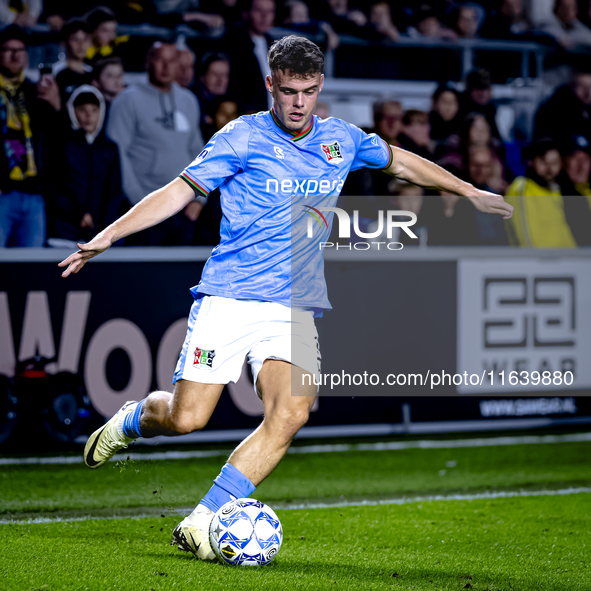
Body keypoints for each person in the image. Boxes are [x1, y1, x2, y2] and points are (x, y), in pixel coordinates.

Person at [59, 35, 512, 562]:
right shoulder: (241, 136)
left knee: (292, 411)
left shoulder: (340, 139)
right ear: (270, 85)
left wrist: (468, 190)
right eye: (290, 91)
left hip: (294, 304)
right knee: (187, 420)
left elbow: (401, 162)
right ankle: (133, 419)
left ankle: (203, 519)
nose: (299, 103)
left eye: (310, 91)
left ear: (321, 87)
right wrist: (108, 237)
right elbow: (178, 191)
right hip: (229, 298)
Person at [106, 41, 204, 244]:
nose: (166, 67)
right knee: (144, 272)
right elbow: (117, 154)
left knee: (180, 273)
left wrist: (200, 197)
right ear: (148, 62)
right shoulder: (127, 100)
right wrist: (139, 202)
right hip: (146, 210)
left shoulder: (188, 100)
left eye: (171, 61)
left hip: (184, 208)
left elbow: (198, 152)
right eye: (160, 60)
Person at [0, 24, 61, 247]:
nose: (15, 55)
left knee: (28, 272)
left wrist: (55, 107)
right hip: (3, 195)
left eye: (20, 50)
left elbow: (56, 139)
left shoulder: (36, 91)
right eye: (9, 50)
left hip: (35, 194)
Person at [46, 85, 123, 244]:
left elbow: (114, 192)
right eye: (82, 109)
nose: (88, 115)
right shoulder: (61, 145)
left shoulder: (110, 149)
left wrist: (101, 222)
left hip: (101, 232)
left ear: (101, 112)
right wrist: (79, 215)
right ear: (72, 111)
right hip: (64, 230)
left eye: (94, 110)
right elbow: (53, 187)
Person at [504, 138, 576, 247]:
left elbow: (564, 232)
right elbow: (526, 237)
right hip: (537, 261)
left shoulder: (556, 190)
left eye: (554, 162)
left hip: (562, 260)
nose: (549, 168)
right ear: (531, 161)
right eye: (543, 161)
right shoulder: (522, 187)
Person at [534, 69, 591, 143]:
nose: (588, 93)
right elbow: (545, 136)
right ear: (572, 86)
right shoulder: (557, 105)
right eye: (583, 86)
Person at [54, 18, 92, 105]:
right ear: (64, 42)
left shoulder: (92, 72)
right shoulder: (55, 72)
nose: (81, 45)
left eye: (85, 39)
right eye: (75, 39)